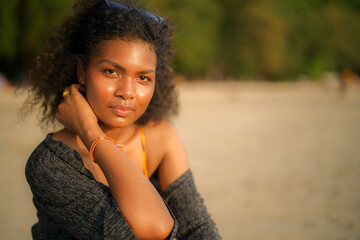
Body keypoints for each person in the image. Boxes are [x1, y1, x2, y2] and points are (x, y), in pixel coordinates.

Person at [23, 0, 221, 239]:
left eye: (143, 78)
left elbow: (198, 231)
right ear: (81, 71)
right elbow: (153, 228)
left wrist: (92, 135)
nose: (127, 91)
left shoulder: (159, 138)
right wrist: (91, 133)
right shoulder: (49, 163)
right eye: (111, 72)